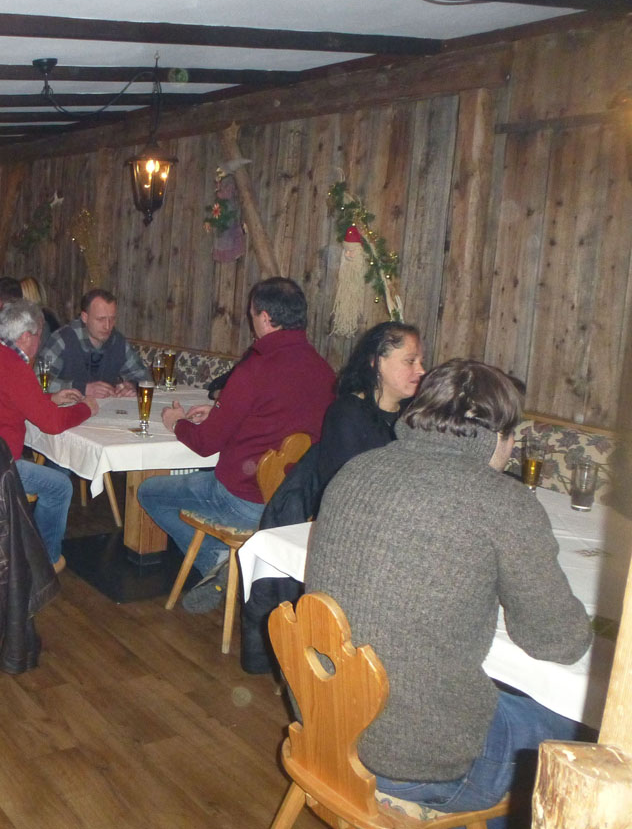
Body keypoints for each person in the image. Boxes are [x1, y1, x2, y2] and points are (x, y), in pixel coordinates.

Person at [306, 359, 591, 824]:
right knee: (586, 730)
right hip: (414, 763)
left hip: (326, 725)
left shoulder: (356, 470)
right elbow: (557, 642)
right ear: (498, 434)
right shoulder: (503, 501)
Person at [137, 277, 335, 610]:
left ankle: (219, 562)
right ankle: (230, 566)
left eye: (252, 313)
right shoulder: (324, 372)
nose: (251, 319)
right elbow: (279, 420)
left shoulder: (256, 368)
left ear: (266, 318)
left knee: (149, 492)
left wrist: (177, 422)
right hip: (296, 505)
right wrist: (220, 408)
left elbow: (204, 443)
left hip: (243, 500)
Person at [0, 300, 98, 569]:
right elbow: (51, 423)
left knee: (52, 478)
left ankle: (29, 551)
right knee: (60, 487)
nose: (40, 342)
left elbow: (6, 398)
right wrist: (87, 408)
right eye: (40, 335)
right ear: (27, 336)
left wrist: (49, 398)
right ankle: (45, 561)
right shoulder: (13, 365)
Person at [318, 321, 425, 491]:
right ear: (377, 362)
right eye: (410, 361)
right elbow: (344, 486)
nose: (421, 370)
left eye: (420, 362)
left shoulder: (416, 414)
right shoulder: (347, 413)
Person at [40, 288, 148, 398]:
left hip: (105, 407)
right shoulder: (63, 339)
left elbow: (144, 376)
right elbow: (38, 381)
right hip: (67, 407)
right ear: (84, 317)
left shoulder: (117, 341)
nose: (107, 326)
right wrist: (82, 388)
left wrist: (131, 385)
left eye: (112, 319)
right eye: (101, 319)